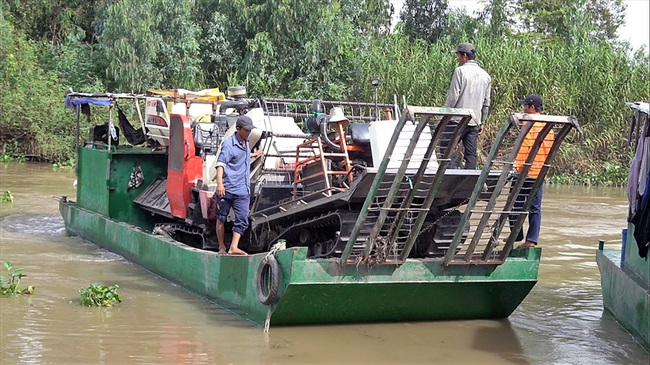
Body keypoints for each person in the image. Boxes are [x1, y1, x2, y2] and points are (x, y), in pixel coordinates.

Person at [215, 115, 263, 255]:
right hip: (228, 187)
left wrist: (255, 154)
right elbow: (220, 165)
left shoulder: (246, 142)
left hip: (242, 189)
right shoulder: (229, 144)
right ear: (238, 129)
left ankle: (233, 247)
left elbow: (243, 156)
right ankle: (222, 247)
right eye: (246, 130)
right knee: (221, 218)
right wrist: (220, 183)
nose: (249, 132)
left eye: (249, 130)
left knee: (242, 219)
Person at [511, 94, 555, 249]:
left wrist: (516, 167)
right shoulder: (548, 126)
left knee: (514, 203)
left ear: (531, 107)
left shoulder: (530, 124)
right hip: (540, 172)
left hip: (526, 171)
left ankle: (515, 236)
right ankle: (531, 239)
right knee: (535, 207)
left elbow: (525, 148)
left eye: (525, 106)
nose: (523, 109)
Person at [443, 42, 491, 169]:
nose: (457, 58)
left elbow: (453, 96)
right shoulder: (485, 75)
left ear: (464, 56)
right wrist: (482, 121)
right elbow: (486, 102)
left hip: (457, 120)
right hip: (474, 121)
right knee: (471, 154)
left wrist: (444, 115)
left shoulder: (460, 71)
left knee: (446, 148)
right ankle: (468, 182)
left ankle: (449, 177)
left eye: (458, 55)